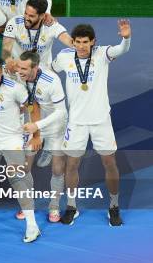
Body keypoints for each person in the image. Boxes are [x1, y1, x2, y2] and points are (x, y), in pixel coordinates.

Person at [52, 20, 132, 227]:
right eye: (77, 42)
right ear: (73, 42)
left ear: (93, 42)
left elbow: (122, 49)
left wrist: (126, 37)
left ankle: (114, 207)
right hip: (76, 122)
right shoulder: (63, 57)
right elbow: (49, 70)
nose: (81, 46)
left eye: (85, 42)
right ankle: (71, 206)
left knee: (110, 163)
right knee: (72, 165)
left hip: (100, 121)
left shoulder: (102, 54)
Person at [0, 56, 41, 242]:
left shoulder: (15, 88)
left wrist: (36, 134)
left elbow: (34, 107)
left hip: (12, 140)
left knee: (17, 178)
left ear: (1, 72)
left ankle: (32, 225)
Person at [17, 51, 67, 223]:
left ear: (35, 68)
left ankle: (54, 206)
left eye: (24, 68)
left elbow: (62, 112)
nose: (20, 71)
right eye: (18, 66)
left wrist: (37, 127)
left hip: (54, 126)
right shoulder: (18, 75)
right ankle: (27, 205)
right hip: (33, 123)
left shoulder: (52, 81)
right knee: (24, 167)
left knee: (57, 169)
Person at [2, 0, 72, 72]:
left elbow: (68, 39)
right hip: (18, 69)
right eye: (26, 13)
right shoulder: (14, 23)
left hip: (42, 71)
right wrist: (9, 61)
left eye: (31, 16)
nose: (26, 18)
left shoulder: (51, 25)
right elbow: (6, 49)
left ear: (42, 15)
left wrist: (79, 46)